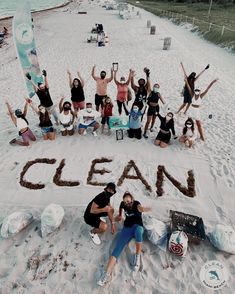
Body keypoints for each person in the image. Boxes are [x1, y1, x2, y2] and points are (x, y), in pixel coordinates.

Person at [97, 191, 151, 287]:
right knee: (117, 249)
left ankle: (137, 257)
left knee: (139, 232)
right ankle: (106, 274)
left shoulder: (136, 204)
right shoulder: (123, 204)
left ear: (132, 200)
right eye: (126, 202)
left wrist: (144, 209)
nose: (127, 203)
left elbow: (141, 208)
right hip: (127, 228)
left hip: (137, 226)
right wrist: (120, 215)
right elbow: (120, 209)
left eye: (129, 201)